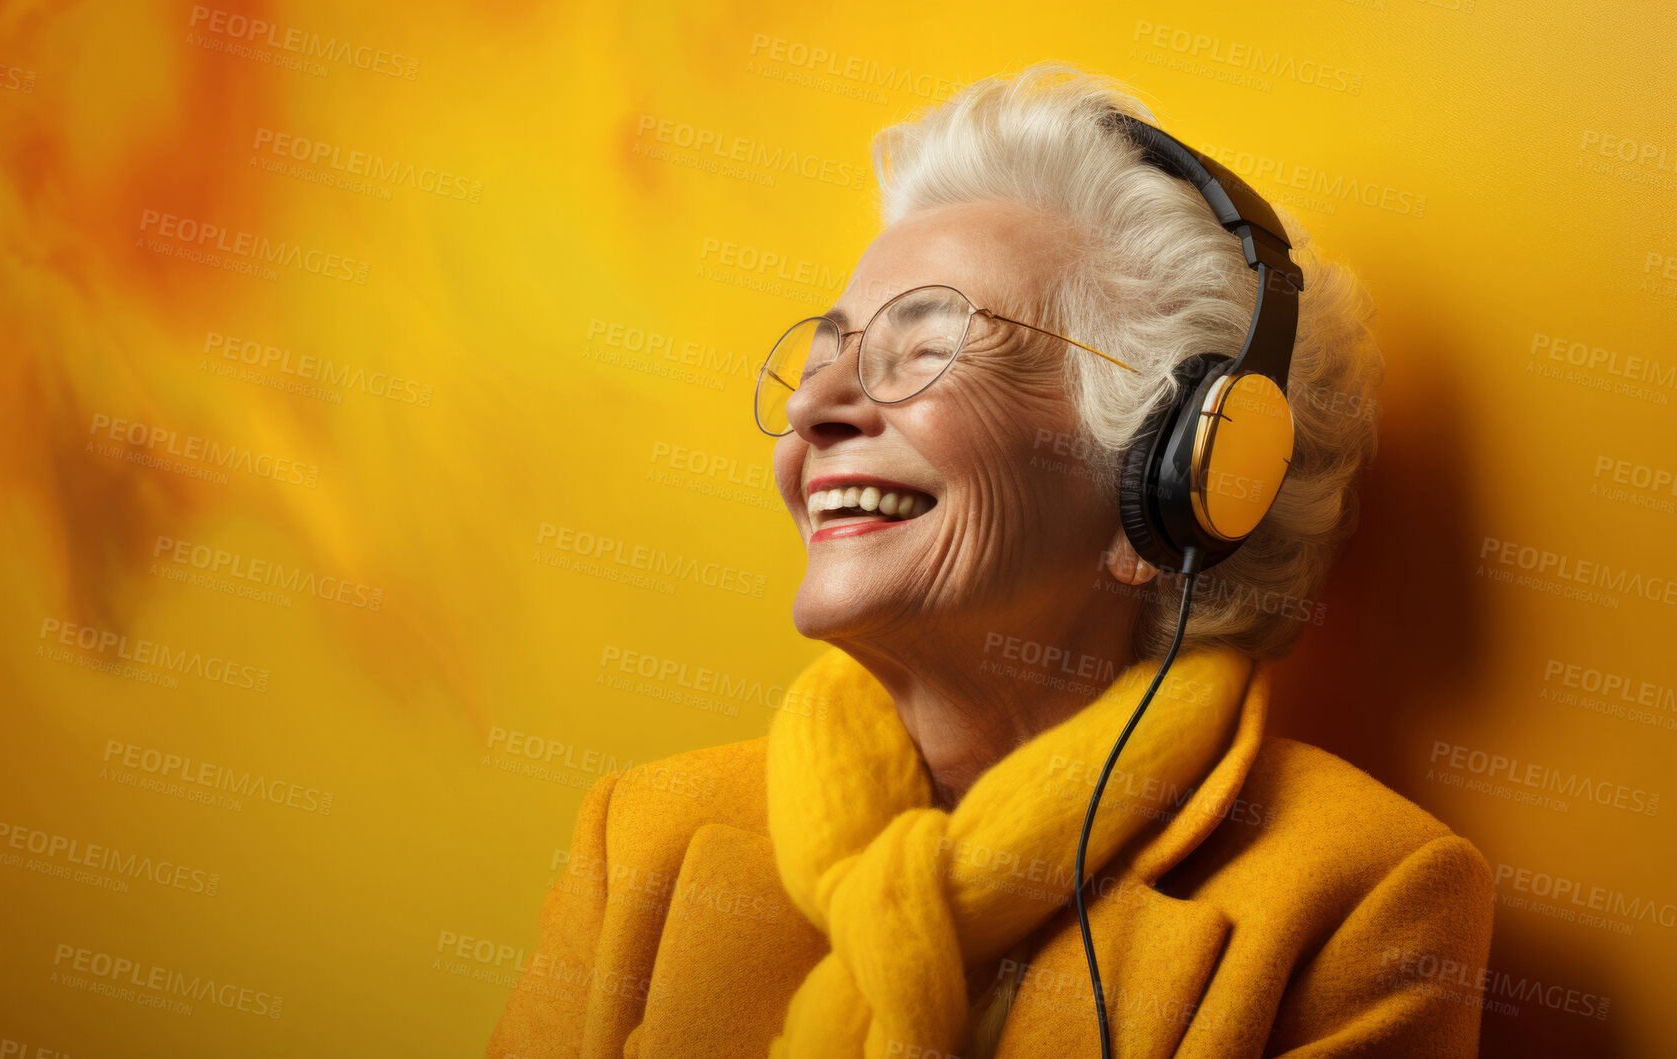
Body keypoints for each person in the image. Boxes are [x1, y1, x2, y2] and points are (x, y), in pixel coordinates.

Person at [486, 61, 1493, 1059]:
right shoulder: (641, 840)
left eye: (925, 349)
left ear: (1165, 487)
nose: (807, 409)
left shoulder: (1363, 905)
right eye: (823, 355)